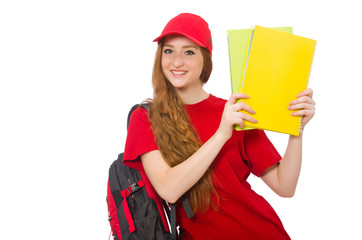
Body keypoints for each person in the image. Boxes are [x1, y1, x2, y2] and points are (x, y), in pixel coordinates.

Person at [123, 13, 316, 240]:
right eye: (168, 50)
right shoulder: (146, 117)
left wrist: (297, 129)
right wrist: (222, 134)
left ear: (206, 58)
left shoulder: (235, 111)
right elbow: (169, 189)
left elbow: (285, 186)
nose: (176, 61)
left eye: (189, 52)